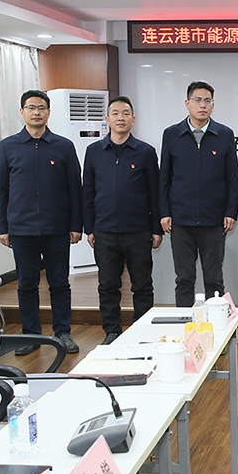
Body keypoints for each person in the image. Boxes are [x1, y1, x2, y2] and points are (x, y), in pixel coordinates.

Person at [0, 90, 82, 355]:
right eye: (31, 107)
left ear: (48, 112)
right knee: (27, 284)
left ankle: (63, 333)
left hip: (57, 228)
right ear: (22, 112)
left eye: (41, 107)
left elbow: (74, 188)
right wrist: (3, 227)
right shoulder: (7, 146)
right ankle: (30, 335)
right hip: (21, 229)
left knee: (60, 283)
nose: (36, 112)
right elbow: (1, 191)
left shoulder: (63, 146)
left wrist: (76, 225)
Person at [83, 96, 163, 345]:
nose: (120, 118)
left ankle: (142, 330)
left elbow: (155, 193)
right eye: (115, 113)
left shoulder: (145, 152)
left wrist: (156, 228)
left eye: (125, 113)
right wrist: (89, 227)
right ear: (107, 119)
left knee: (142, 285)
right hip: (104, 230)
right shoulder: (94, 152)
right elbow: (88, 191)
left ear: (133, 119)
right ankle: (112, 331)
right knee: (107, 284)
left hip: (138, 230)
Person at [159, 81, 238, 306]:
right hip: (180, 221)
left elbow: (233, 179)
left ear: (213, 105)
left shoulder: (224, 134)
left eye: (207, 101)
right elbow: (164, 178)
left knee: (214, 279)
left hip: (214, 220)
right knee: (184, 279)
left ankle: (216, 324)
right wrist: (164, 212)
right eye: (197, 100)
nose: (202, 105)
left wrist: (231, 212)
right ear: (187, 103)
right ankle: (185, 323)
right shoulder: (172, 134)